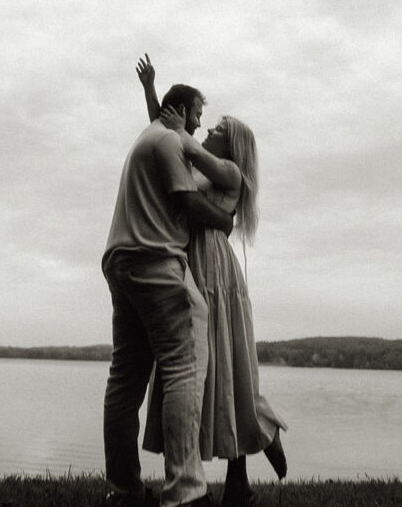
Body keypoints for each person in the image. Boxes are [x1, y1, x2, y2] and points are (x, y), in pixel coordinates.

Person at [136, 55, 288, 507]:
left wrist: (174, 122)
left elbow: (179, 142)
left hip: (215, 271)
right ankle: (206, 481)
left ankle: (253, 449)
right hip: (189, 264)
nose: (209, 129)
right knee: (199, 374)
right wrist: (152, 92)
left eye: (217, 128)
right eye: (209, 125)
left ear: (232, 143)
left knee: (225, 369)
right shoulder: (194, 159)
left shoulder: (228, 172)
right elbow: (167, 142)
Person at [102, 80, 236, 507]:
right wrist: (225, 222)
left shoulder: (150, 137)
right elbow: (186, 202)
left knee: (125, 378)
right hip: (155, 262)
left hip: (119, 260)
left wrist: (151, 92)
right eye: (197, 113)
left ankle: (123, 489)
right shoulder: (167, 142)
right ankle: (186, 491)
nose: (199, 122)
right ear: (179, 109)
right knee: (184, 364)